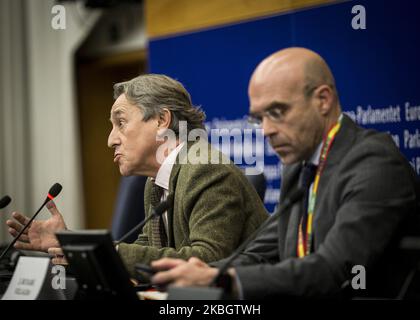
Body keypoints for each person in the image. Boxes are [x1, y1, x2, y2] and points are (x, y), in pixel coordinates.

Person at [149, 48, 419, 299]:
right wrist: (195, 278)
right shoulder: (299, 166)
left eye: (277, 112)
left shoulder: (375, 165)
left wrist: (224, 282)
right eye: (259, 118)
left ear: (323, 100)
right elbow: (259, 252)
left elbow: (333, 268)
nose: (266, 130)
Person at [6, 74, 268, 275]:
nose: (111, 140)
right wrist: (70, 244)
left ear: (161, 121)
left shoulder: (205, 168)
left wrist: (102, 252)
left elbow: (207, 260)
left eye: (121, 123)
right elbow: (146, 252)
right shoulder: (156, 181)